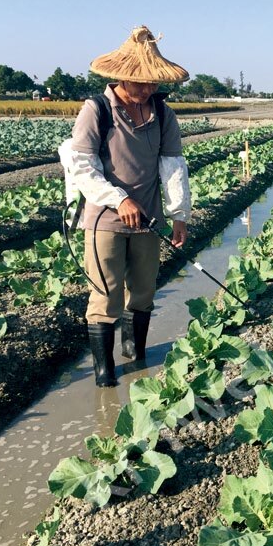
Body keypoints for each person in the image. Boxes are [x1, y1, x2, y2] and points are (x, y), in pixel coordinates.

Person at [59, 25, 191, 387]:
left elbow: (173, 166)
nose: (149, 89)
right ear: (122, 76)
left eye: (154, 83)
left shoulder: (163, 114)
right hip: (104, 221)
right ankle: (105, 374)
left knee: (144, 291)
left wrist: (179, 214)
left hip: (148, 221)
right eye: (142, 83)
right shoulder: (96, 111)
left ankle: (137, 357)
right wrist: (119, 199)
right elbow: (82, 168)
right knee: (105, 296)